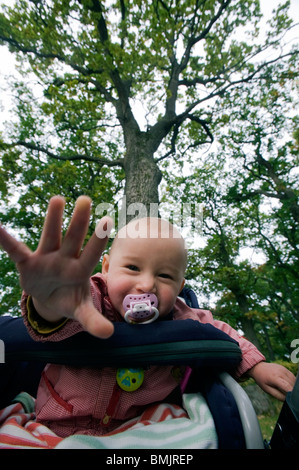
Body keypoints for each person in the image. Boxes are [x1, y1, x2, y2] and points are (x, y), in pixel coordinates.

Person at [0, 195, 295, 437]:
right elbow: (53, 320)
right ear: (105, 267)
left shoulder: (183, 316)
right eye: (132, 268)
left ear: (180, 287)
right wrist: (49, 300)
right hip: (58, 422)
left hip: (142, 427)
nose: (146, 284)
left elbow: (221, 332)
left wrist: (258, 367)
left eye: (165, 276)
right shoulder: (86, 296)